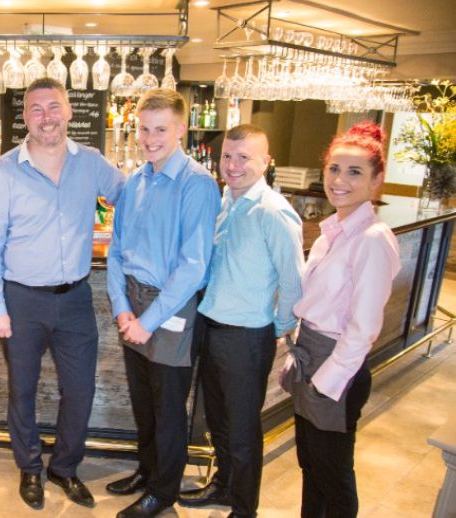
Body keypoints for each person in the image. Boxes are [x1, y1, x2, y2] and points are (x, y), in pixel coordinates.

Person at [0, 77, 125, 510]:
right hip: (21, 299)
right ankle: (29, 467)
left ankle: (64, 467)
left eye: (53, 107)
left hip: (75, 298)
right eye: (36, 109)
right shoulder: (2, 171)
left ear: (69, 111)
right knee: (22, 390)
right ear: (25, 117)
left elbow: (131, 198)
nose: (46, 117)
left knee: (80, 390)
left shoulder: (91, 162)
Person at [180, 124, 305, 518]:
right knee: (217, 421)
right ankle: (223, 486)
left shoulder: (273, 211)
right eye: (227, 157)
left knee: (243, 429)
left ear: (266, 162)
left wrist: (278, 327)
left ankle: (244, 508)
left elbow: (293, 281)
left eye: (244, 157)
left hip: (247, 336)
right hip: (211, 326)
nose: (233, 165)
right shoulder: (224, 202)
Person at [106, 89, 220, 518]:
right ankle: (147, 471)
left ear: (180, 130)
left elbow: (193, 267)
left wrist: (148, 321)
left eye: (160, 130)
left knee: (169, 407)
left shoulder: (197, 184)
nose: (150, 139)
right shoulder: (135, 181)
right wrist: (122, 307)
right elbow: (117, 251)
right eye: (144, 129)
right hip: (132, 305)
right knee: (144, 403)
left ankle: (163, 492)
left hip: (171, 308)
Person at [281, 121, 400, 517]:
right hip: (311, 358)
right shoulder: (332, 231)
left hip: (337, 370)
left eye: (354, 172)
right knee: (311, 467)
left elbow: (363, 329)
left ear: (376, 181)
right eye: (334, 168)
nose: (339, 180)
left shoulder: (372, 239)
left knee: (333, 476)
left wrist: (324, 381)